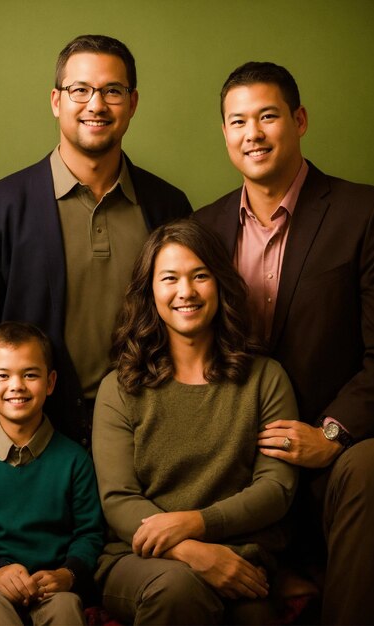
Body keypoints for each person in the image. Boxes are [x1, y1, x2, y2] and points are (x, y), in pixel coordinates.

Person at [194, 61, 374, 625]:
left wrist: (331, 434)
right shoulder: (203, 228)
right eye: (237, 122)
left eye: (267, 117)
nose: (252, 134)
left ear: (299, 119)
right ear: (225, 134)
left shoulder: (368, 214)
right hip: (236, 455)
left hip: (331, 452)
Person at [0, 34, 192, 488]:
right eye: (80, 90)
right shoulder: (1, 207)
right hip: (37, 446)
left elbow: (190, 329)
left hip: (148, 442)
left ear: (132, 102)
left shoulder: (166, 205)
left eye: (112, 90)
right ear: (56, 101)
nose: (95, 104)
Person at [92, 219, 299, 625]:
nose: (185, 292)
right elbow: (119, 501)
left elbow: (276, 488)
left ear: (220, 284)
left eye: (200, 276)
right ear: (150, 292)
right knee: (179, 589)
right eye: (169, 278)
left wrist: (198, 523)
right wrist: (192, 549)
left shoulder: (265, 377)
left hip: (239, 554)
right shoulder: (119, 388)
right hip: (140, 559)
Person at [0, 321, 104, 626]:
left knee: (66, 609)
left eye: (30, 374)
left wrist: (67, 574)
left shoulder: (75, 460)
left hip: (54, 588)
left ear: (50, 382)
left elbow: (90, 534)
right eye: (2, 376)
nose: (16, 385)